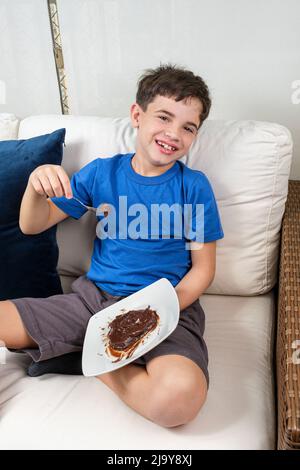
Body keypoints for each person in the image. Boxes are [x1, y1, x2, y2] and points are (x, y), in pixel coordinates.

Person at [0, 64, 224, 428]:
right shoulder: (101, 173)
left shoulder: (194, 187)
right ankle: (93, 345)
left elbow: (203, 269)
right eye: (164, 117)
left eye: (188, 127)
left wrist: (154, 312)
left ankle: (94, 362)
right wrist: (34, 185)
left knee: (178, 402)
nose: (173, 134)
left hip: (166, 308)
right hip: (92, 303)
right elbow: (32, 224)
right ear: (138, 114)